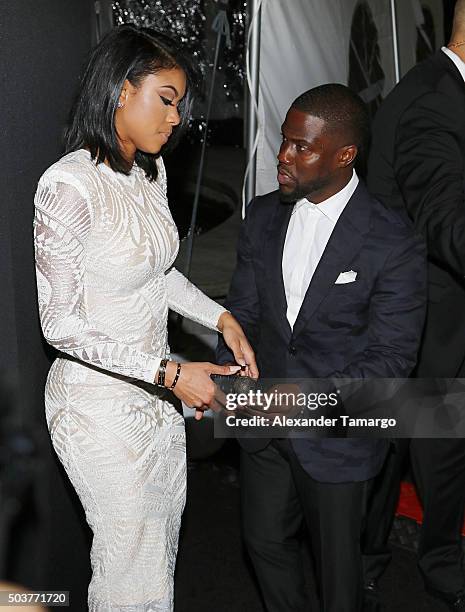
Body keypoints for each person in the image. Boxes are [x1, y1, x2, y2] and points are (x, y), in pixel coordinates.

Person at [33, 25, 258, 612]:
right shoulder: (67, 185)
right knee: (128, 566)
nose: (176, 117)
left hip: (155, 404)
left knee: (158, 556)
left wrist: (222, 317)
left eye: (180, 104)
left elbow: (157, 274)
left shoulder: (148, 174)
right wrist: (169, 372)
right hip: (96, 409)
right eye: (165, 98)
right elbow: (60, 323)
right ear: (118, 91)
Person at [216, 84, 426, 612]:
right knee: (263, 544)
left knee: (339, 579)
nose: (283, 156)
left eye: (300, 147)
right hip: (262, 425)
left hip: (337, 437)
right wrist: (234, 374)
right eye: (284, 142)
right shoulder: (262, 216)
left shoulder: (392, 240)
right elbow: (244, 312)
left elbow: (392, 358)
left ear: (344, 155)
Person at [364, 2, 465, 610]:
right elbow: (448, 222)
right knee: (419, 448)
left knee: (409, 449)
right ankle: (417, 568)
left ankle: (377, 562)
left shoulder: (443, 89)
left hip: (426, 318)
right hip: (418, 322)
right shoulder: (433, 98)